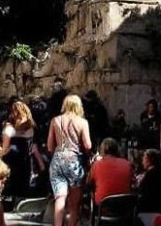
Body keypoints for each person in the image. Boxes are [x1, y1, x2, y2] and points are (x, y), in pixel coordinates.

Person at [47, 94, 93, 226]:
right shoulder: (82, 122)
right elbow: (88, 145)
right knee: (74, 204)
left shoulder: (55, 120)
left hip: (57, 160)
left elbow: (50, 146)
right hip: (74, 162)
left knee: (60, 198)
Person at [0, 100, 36, 201]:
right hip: (26, 158)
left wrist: (0, 157)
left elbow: (5, 147)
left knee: (13, 181)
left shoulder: (9, 128)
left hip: (12, 159)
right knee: (23, 182)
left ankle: (10, 201)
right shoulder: (30, 127)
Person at [89, 138, 133, 204]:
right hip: (125, 205)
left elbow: (89, 183)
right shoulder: (127, 164)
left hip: (103, 206)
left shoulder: (96, 165)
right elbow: (132, 182)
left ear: (102, 150)